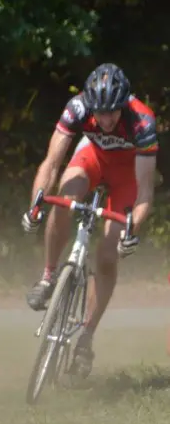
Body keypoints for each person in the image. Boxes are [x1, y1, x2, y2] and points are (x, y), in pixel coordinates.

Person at [22, 63, 158, 377]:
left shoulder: (142, 121)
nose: (107, 118)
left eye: (113, 112)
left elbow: (145, 192)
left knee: (108, 255)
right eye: (101, 112)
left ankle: (86, 334)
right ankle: (48, 275)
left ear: (124, 104)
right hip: (92, 159)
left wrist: (131, 230)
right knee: (63, 201)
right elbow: (52, 163)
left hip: (128, 176)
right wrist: (35, 207)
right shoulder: (78, 108)